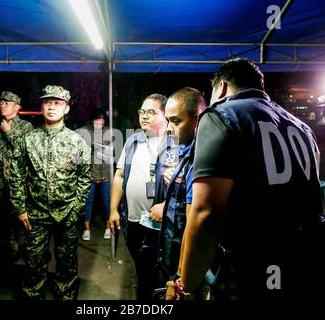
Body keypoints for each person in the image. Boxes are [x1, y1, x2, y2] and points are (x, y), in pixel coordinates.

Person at [172, 58, 325, 300]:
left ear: (221, 87)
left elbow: (205, 213)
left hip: (248, 269)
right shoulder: (302, 128)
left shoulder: (220, 115)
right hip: (302, 264)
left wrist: (185, 285)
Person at [9, 85, 92, 300]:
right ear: (41, 107)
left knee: (66, 262)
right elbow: (16, 175)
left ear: (66, 109)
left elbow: (84, 176)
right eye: (47, 102)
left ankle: (66, 295)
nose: (52, 107)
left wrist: (76, 208)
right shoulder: (28, 140)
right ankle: (33, 294)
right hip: (35, 214)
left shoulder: (77, 141)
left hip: (67, 214)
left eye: (58, 103)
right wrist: (20, 209)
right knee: (34, 261)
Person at [109, 93, 178, 300]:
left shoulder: (176, 142)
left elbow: (187, 186)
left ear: (165, 115)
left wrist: (166, 205)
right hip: (133, 219)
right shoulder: (133, 140)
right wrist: (113, 209)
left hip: (162, 223)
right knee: (142, 266)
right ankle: (146, 295)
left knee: (166, 270)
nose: (144, 116)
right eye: (142, 111)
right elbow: (120, 175)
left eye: (151, 111)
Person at [157, 88, 207, 292]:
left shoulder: (201, 159)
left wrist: (179, 281)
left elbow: (192, 229)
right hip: (172, 249)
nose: (169, 128)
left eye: (176, 121)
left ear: (199, 119)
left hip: (187, 266)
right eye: (168, 120)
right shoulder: (182, 149)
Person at [0, 91, 34, 260]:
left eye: (6, 103)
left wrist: (8, 132)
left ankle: (31, 249)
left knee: (25, 218)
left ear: (17, 107)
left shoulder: (26, 127)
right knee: (6, 218)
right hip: (1, 183)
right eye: (0, 103)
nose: (2, 105)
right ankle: (13, 248)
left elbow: (27, 152)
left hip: (22, 184)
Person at [78, 108, 112, 241]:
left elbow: (112, 149)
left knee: (106, 200)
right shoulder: (84, 130)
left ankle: (108, 227)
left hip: (105, 172)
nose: (100, 122)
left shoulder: (108, 131)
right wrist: (90, 144)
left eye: (102, 120)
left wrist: (106, 147)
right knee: (88, 200)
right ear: (92, 120)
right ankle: (86, 229)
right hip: (89, 173)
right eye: (97, 120)